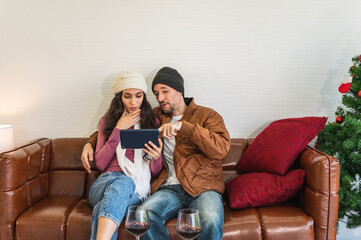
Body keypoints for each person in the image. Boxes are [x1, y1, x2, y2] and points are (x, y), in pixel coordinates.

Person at [82, 67, 231, 240]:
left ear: (179, 91)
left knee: (211, 219)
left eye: (165, 92)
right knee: (143, 214)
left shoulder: (207, 115)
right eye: (156, 93)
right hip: (169, 188)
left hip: (202, 187)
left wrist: (184, 127)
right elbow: (115, 126)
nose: (160, 98)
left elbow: (221, 148)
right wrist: (89, 143)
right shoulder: (156, 116)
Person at [88, 71, 163, 240]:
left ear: (143, 96)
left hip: (137, 188)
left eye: (138, 96)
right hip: (104, 182)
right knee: (123, 181)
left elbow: (155, 172)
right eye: (127, 96)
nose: (133, 102)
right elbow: (100, 164)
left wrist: (156, 157)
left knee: (102, 208)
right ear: (119, 98)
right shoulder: (107, 122)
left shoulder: (153, 123)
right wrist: (118, 129)